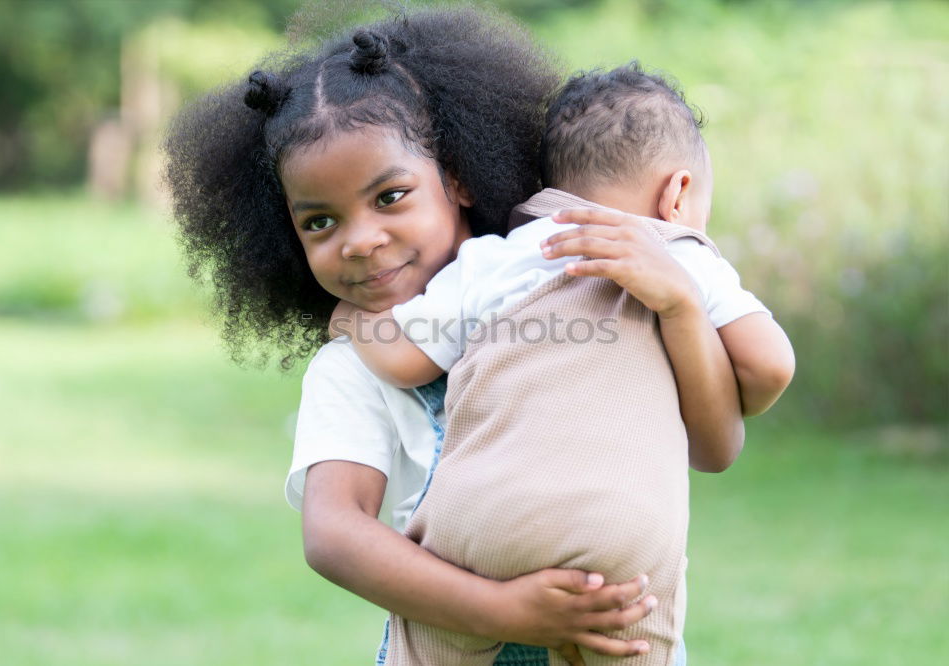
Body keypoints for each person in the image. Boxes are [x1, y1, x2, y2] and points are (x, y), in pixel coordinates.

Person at [164, 9, 743, 665]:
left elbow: (716, 444)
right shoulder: (353, 367)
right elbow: (334, 533)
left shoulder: (576, 286)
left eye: (389, 197)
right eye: (320, 221)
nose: (359, 240)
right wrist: (503, 611)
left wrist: (683, 307)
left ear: (460, 177)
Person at [335, 63, 795, 665]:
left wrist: (350, 314)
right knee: (633, 637)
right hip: (620, 535)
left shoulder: (493, 258)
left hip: (473, 532)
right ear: (676, 194)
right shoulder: (676, 251)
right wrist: (686, 315)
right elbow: (769, 367)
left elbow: (402, 360)